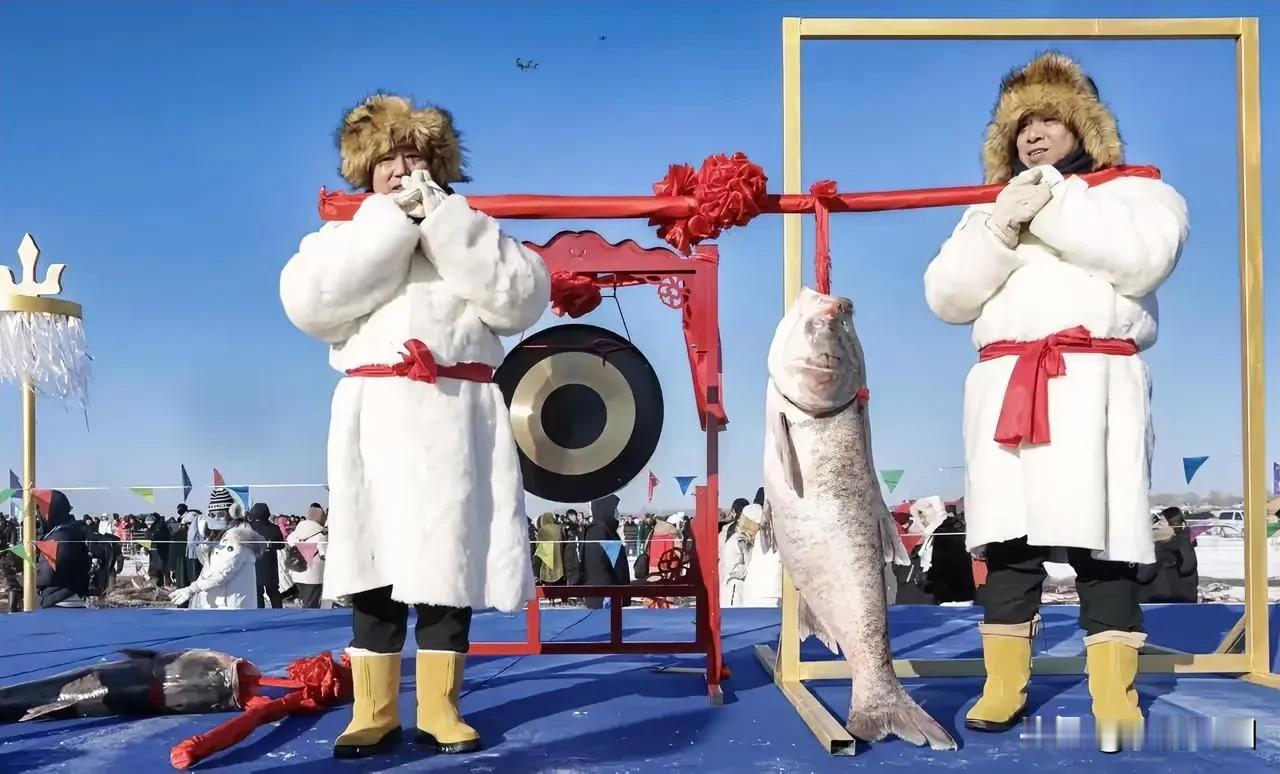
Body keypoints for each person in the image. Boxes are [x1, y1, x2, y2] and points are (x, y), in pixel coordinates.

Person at [922, 52, 1189, 749]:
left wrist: (1054, 201)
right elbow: (947, 297)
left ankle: (1113, 695)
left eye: (1049, 119)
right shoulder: (989, 209)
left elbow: (1142, 260)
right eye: (1021, 125)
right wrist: (1002, 227)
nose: (1032, 135)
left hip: (1094, 387)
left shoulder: (1138, 193)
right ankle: (1002, 686)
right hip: (1008, 387)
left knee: (1107, 550)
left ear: (1082, 126)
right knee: (1007, 547)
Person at [279, 92, 550, 759]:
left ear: (437, 164)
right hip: (376, 424)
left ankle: (439, 709)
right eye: (387, 159)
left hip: (456, 421)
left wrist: (443, 223)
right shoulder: (341, 237)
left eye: (414, 157)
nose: (402, 170)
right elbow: (310, 303)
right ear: (365, 170)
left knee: (445, 572)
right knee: (372, 569)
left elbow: (520, 297)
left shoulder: (474, 228)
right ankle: (371, 711)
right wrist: (391, 228)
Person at [168, 489, 261, 610]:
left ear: (232, 513)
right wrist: (204, 543)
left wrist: (192, 588)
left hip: (232, 605)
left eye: (221, 514)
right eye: (213, 514)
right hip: (218, 603)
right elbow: (208, 565)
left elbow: (223, 572)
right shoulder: (220, 535)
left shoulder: (239, 538)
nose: (217, 518)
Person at [35, 491, 92, 609]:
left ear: (50, 511)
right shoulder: (69, 529)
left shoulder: (60, 536)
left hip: (61, 601)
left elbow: (47, 576)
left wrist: (25, 577)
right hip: (68, 596)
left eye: (40, 510)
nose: (38, 515)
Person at [1136, 507, 1198, 603]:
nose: (1159, 523)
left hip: (1172, 601)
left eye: (1163, 521)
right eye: (1159, 520)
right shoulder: (1158, 544)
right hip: (1158, 599)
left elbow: (1187, 568)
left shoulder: (1180, 544)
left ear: (1173, 523)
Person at [287, 504, 328, 609]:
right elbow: (325, 554)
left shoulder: (296, 532)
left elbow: (289, 541)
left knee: (306, 602)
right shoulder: (321, 535)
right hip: (313, 576)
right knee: (312, 605)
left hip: (297, 572)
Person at [247, 503, 284, 609]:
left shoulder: (250, 528)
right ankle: (279, 614)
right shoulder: (274, 528)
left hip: (254, 565)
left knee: (257, 593)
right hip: (270, 565)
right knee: (274, 593)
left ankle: (260, 616)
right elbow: (281, 545)